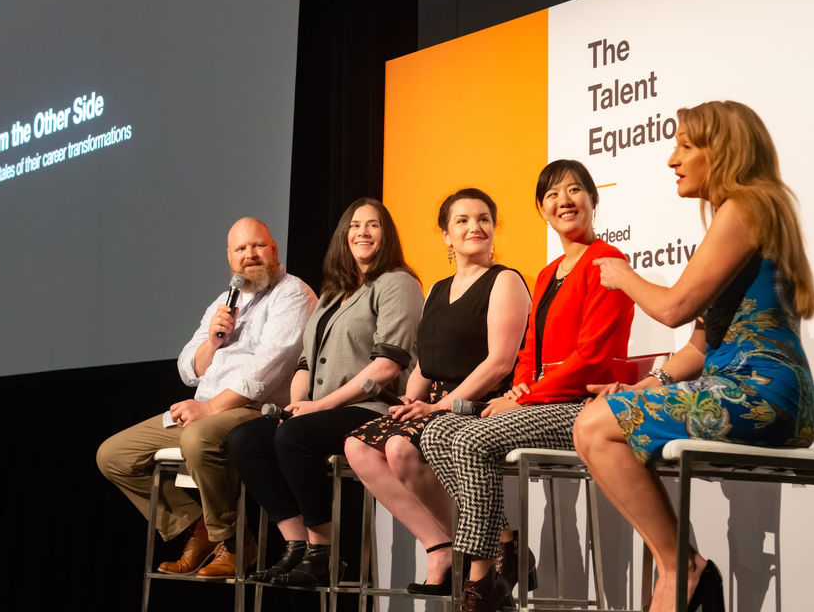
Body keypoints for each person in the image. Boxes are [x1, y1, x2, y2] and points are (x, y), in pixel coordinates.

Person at [573, 100, 814, 612]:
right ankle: (682, 567)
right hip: (750, 387)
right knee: (596, 420)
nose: (672, 159)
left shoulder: (748, 206)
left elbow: (672, 308)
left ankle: (681, 568)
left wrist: (619, 273)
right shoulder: (748, 212)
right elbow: (697, 346)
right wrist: (642, 388)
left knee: (594, 428)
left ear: (724, 151)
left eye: (687, 146)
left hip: (763, 393)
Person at [419, 160, 635, 612]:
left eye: (575, 191)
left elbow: (590, 359)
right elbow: (527, 352)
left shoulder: (608, 262)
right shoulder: (551, 270)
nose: (564, 201)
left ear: (593, 200)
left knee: (474, 441)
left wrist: (525, 399)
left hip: (582, 406)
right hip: (537, 402)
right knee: (437, 433)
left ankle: (481, 583)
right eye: (553, 195)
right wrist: (515, 392)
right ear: (542, 209)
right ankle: (510, 546)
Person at [96, 218, 317, 578]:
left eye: (258, 246)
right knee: (114, 455)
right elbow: (187, 368)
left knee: (196, 438)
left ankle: (232, 543)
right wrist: (213, 341)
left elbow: (267, 370)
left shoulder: (293, 294)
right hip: (204, 407)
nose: (250, 255)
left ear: (274, 249)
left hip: (253, 409)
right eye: (241, 249)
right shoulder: (224, 301)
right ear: (230, 258)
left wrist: (209, 408)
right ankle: (199, 527)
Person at [226, 198, 423, 588]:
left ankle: (324, 552)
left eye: (373, 226)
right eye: (354, 226)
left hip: (372, 407)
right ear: (343, 237)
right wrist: (297, 403)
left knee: (295, 436)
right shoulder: (335, 291)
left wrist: (319, 406)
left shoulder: (398, 282)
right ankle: (296, 544)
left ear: (387, 236)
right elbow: (304, 362)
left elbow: (387, 366)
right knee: (245, 439)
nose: (362, 233)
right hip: (322, 407)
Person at [344, 188, 530, 596]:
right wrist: (413, 400)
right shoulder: (437, 289)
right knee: (357, 447)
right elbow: (425, 365)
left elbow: (500, 363)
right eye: (461, 221)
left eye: (483, 219)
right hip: (435, 403)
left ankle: (493, 546)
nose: (474, 227)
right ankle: (448, 546)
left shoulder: (505, 281)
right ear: (446, 235)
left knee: (399, 450)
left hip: (477, 403)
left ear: (494, 229)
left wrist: (439, 406)